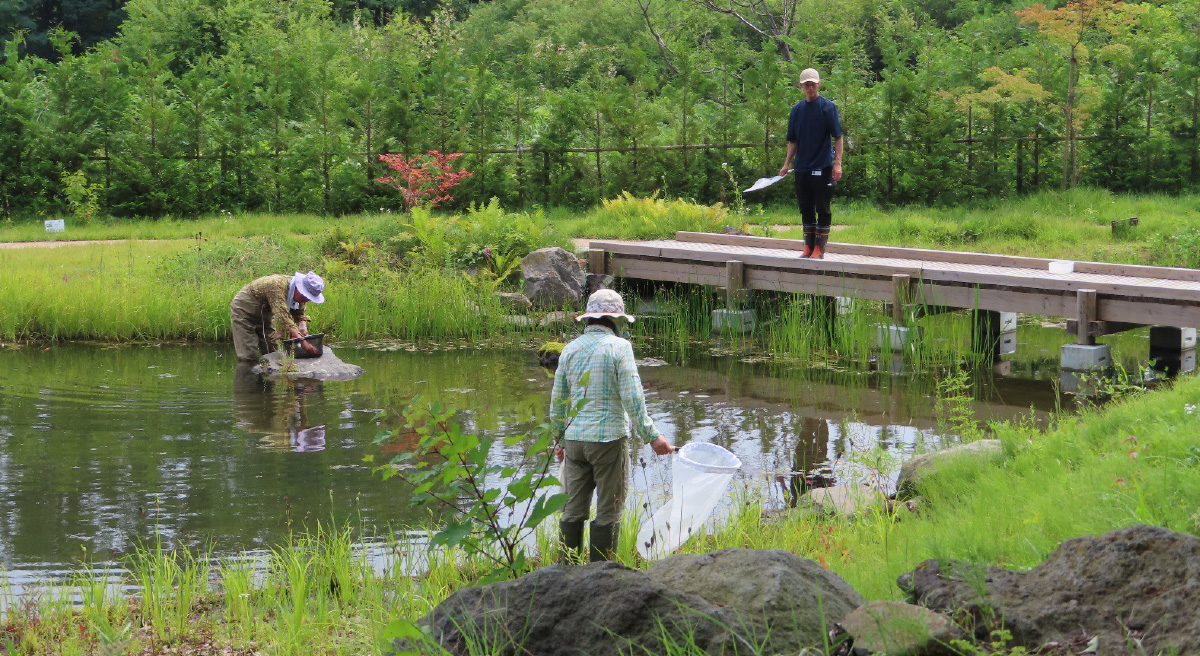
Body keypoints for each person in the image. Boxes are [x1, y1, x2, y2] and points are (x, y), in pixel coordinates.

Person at [550, 289, 675, 562]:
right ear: (616, 321)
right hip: (608, 442)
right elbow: (632, 397)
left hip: (575, 442)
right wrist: (652, 436)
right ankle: (601, 578)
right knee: (608, 512)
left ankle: (565, 574)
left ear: (590, 319)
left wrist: (558, 440)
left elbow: (558, 400)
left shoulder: (569, 349)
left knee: (572, 511)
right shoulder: (620, 348)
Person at [780, 67, 844, 259]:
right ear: (801, 86)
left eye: (813, 84)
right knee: (805, 207)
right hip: (801, 168)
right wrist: (786, 164)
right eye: (807, 85)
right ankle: (808, 247)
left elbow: (838, 137)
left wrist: (837, 164)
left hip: (822, 166)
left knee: (822, 207)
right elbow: (793, 141)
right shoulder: (796, 110)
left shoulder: (828, 108)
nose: (810, 88)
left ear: (819, 85)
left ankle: (819, 249)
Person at [230, 271, 325, 362]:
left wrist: (302, 327)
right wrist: (302, 341)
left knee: (273, 351)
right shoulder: (277, 286)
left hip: (265, 314)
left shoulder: (298, 294)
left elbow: (299, 313)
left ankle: (268, 377)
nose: (306, 300)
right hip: (244, 311)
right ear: (300, 289)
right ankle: (248, 375)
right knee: (249, 355)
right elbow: (283, 317)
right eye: (306, 297)